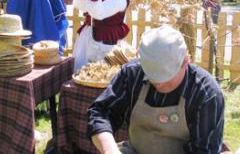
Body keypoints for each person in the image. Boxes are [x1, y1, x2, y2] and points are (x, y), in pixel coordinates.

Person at [88, 25, 225, 154]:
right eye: (152, 76)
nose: (158, 84)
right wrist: (110, 150)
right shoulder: (133, 74)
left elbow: (204, 150)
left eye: (166, 77)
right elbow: (101, 112)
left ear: (186, 61)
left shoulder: (206, 94)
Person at [72, 0, 130, 71]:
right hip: (88, 37)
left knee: (103, 74)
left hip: (106, 42)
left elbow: (100, 14)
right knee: (84, 72)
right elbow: (80, 6)